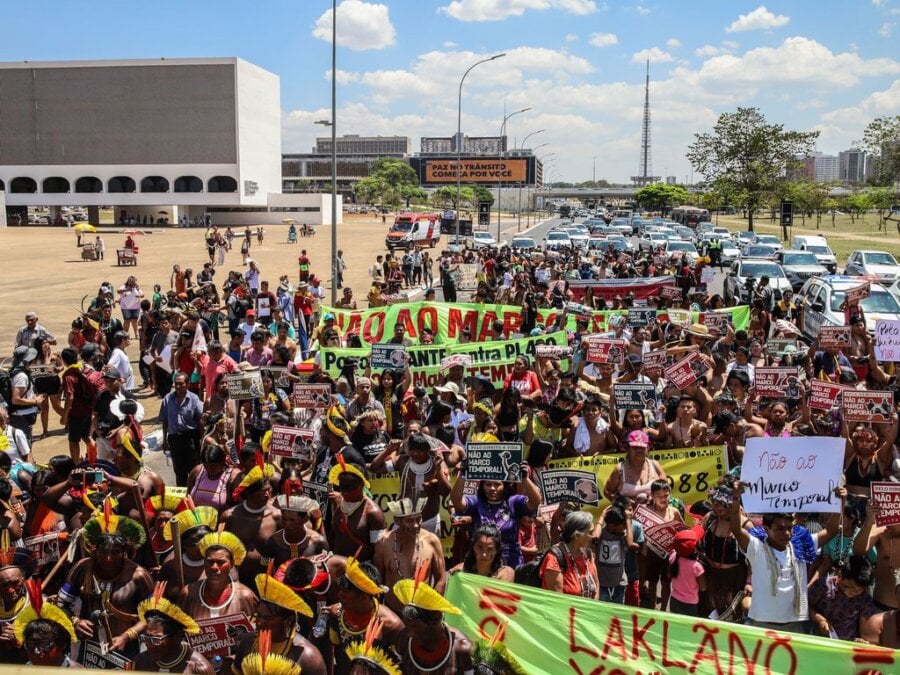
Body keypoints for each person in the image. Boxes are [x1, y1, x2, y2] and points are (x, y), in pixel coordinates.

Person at [391, 570, 473, 674]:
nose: (409, 634)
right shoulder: (403, 639)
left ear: (436, 618)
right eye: (407, 627)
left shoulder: (462, 648)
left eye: (415, 628)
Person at [375, 498, 446, 615]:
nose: (416, 525)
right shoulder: (384, 544)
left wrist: (432, 609)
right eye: (410, 521)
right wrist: (380, 612)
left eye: (418, 519)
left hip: (423, 613)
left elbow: (441, 579)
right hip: (393, 613)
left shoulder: (432, 541)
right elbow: (379, 583)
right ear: (397, 521)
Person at [133, 587, 214, 673]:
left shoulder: (198, 669)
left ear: (177, 637)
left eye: (156, 639)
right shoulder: (140, 663)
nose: (149, 645)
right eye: (146, 638)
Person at [540, 510, 599, 599]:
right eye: (590, 532)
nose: (594, 535)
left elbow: (596, 588)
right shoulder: (554, 558)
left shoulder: (588, 554)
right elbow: (557, 599)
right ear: (577, 535)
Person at [160, 371, 203, 486]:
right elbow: (164, 420)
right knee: (179, 471)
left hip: (190, 438)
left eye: (181, 384)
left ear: (188, 384)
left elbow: (201, 419)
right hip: (174, 438)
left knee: (193, 469)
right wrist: (164, 440)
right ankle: (182, 498)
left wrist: (201, 438)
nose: (178, 386)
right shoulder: (167, 399)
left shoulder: (194, 399)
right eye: (176, 384)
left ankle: (193, 495)